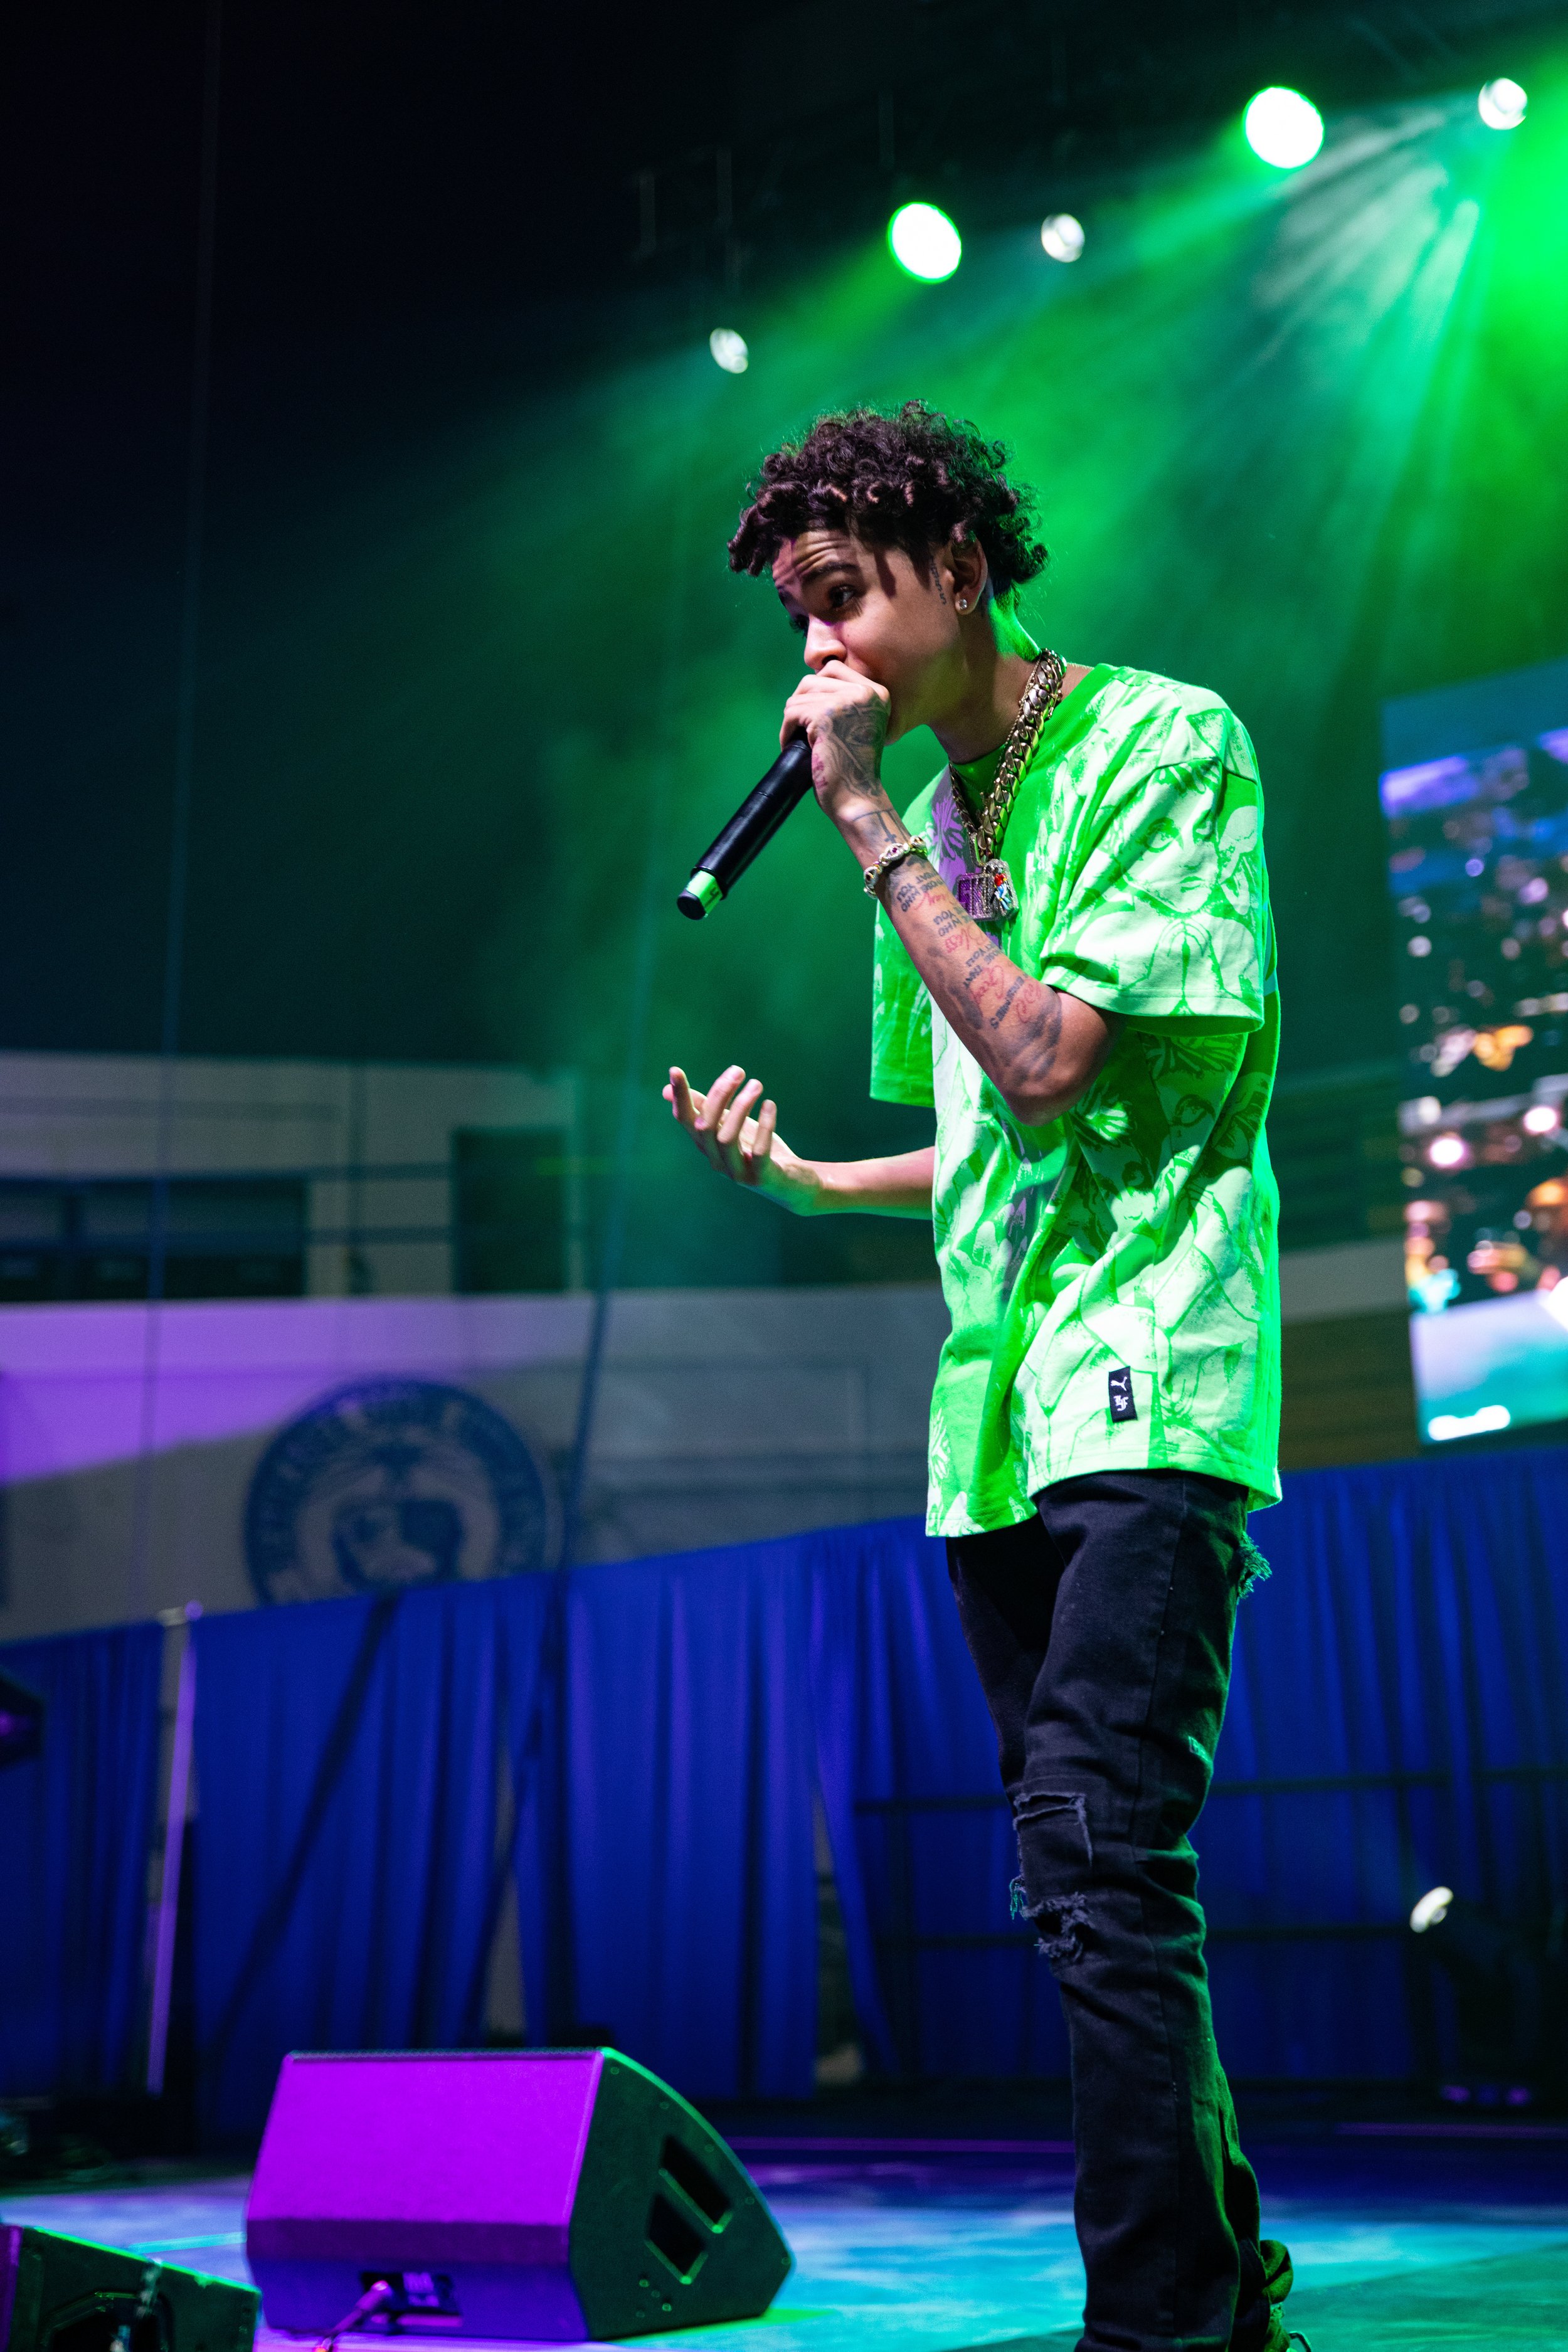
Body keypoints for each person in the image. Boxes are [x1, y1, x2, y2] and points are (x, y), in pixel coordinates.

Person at [665, 401, 1296, 2352]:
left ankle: (1164, 2325)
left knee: (1097, 1854)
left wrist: (861, 825)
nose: (817, 652)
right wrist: (805, 1179)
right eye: (795, 617)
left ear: (955, 566)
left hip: (1151, 1373)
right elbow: (979, 1129)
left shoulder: (1162, 741)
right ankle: (1222, 2288)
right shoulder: (944, 822)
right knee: (1080, 1878)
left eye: (840, 599)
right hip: (996, 1422)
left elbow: (1047, 1063)